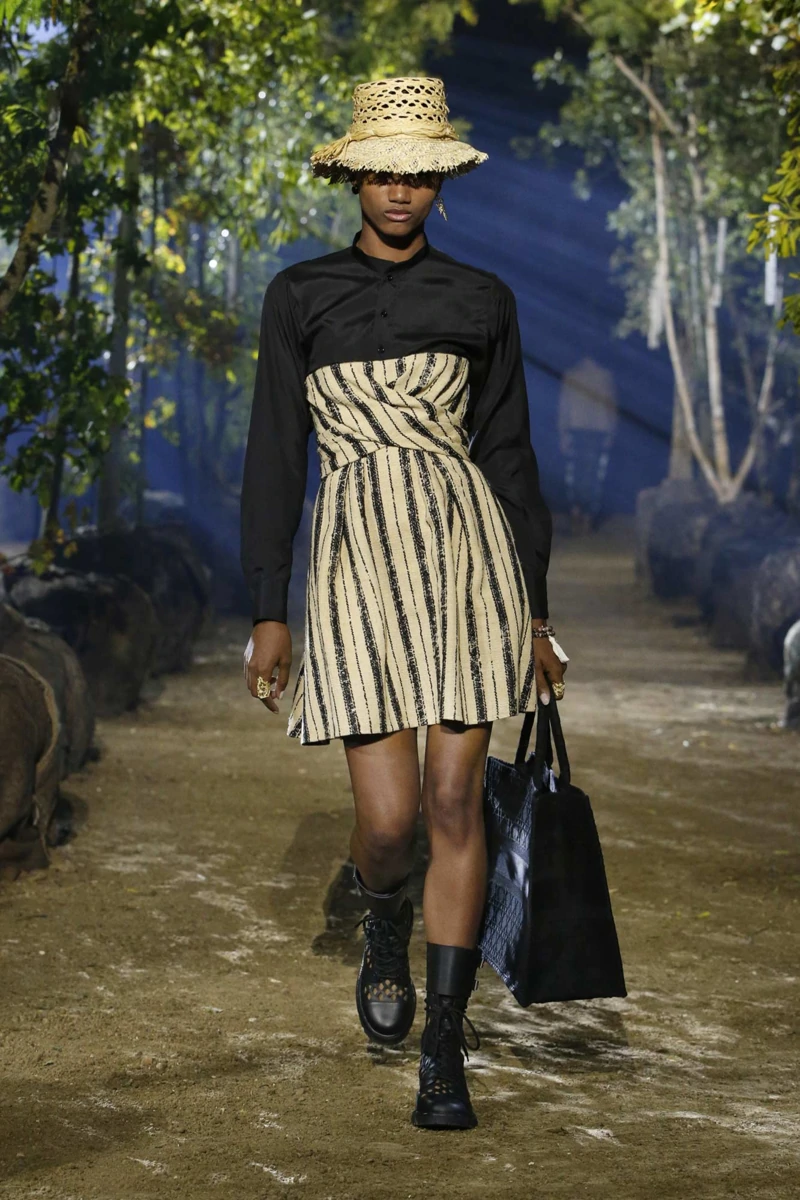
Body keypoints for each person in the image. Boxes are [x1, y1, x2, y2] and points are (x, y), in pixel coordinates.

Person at [240, 76, 566, 1131]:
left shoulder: (481, 299)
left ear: (438, 185)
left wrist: (535, 615)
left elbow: (509, 456)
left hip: (467, 560)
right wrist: (269, 607)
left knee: (453, 804)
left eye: (417, 175)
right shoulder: (299, 295)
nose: (398, 190)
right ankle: (383, 921)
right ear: (353, 178)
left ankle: (443, 1047)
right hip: (353, 562)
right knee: (387, 824)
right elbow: (275, 453)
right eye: (382, 172)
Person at [558, 355, 618, 534]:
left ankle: (577, 512)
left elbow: (564, 406)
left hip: (577, 428)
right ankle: (586, 516)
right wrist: (611, 431)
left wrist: (563, 432)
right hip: (598, 429)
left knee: (576, 473)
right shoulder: (605, 376)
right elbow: (611, 406)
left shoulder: (572, 375)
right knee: (594, 474)